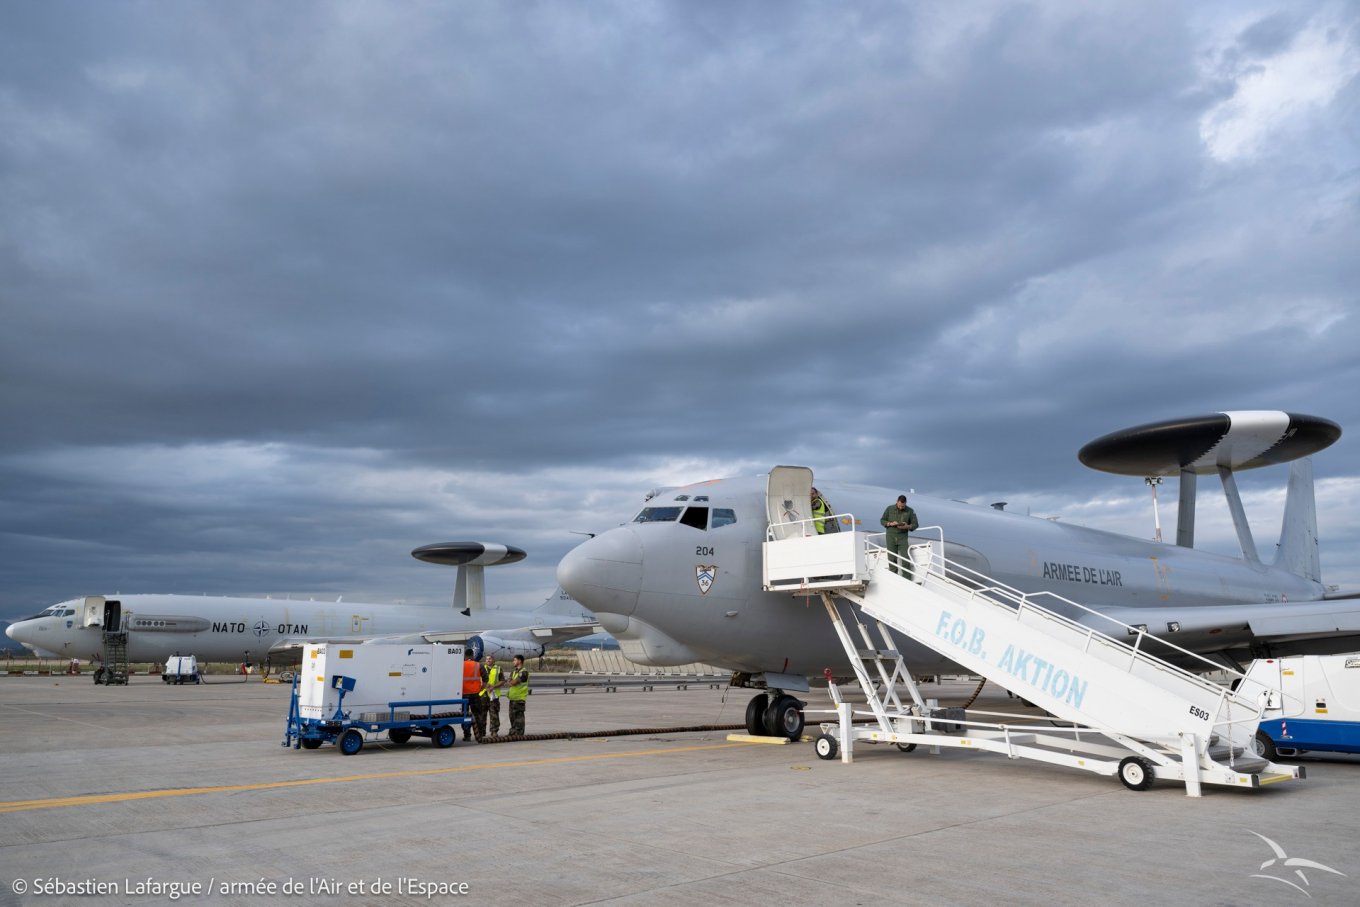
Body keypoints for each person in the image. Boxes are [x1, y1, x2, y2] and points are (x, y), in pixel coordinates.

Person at [880, 494, 920, 578]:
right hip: (891, 536)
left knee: (905, 558)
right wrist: (890, 523)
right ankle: (894, 579)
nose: (901, 507)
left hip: (903, 537)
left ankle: (907, 580)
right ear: (897, 502)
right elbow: (882, 520)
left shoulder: (910, 511)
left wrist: (907, 526)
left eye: (903, 506)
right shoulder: (889, 508)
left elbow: (915, 524)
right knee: (892, 559)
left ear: (905, 503)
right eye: (900, 505)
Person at [462, 649, 484, 741]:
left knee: (465, 715)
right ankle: (480, 735)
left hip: (464, 695)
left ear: (465, 656)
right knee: (478, 714)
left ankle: (467, 736)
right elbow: (485, 679)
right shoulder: (478, 665)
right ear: (472, 655)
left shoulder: (460, 665)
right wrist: (480, 689)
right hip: (475, 694)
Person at [506, 654, 530, 736]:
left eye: (515, 660)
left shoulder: (524, 672)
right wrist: (511, 682)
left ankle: (519, 733)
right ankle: (513, 732)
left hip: (519, 699)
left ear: (519, 661)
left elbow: (514, 682)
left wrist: (512, 682)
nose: (513, 662)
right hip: (512, 698)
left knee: (519, 717)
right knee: (512, 716)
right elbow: (509, 682)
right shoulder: (513, 672)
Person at [481, 654, 504, 737]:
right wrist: (485, 686)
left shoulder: (498, 669)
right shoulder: (482, 668)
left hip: (493, 695)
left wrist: (493, 687)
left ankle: (494, 731)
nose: (488, 660)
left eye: (490, 659)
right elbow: (478, 680)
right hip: (483, 694)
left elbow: (502, 681)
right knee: (482, 714)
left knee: (494, 714)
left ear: (493, 660)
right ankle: (481, 732)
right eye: (487, 659)